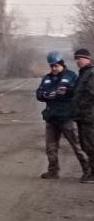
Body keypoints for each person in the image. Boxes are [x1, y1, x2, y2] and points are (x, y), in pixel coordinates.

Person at [36, 50, 90, 180]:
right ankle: (53, 171)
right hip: (51, 117)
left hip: (67, 117)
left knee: (77, 146)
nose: (54, 68)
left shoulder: (71, 76)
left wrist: (67, 91)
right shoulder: (47, 78)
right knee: (51, 147)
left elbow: (79, 92)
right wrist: (45, 95)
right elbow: (39, 93)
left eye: (56, 66)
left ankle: (88, 170)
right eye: (52, 66)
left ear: (62, 64)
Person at [73, 48, 94, 183]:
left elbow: (91, 94)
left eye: (79, 58)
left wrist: (81, 105)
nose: (77, 61)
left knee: (90, 144)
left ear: (87, 58)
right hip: (82, 116)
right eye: (76, 59)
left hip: (89, 116)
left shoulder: (91, 73)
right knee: (85, 144)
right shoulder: (84, 73)